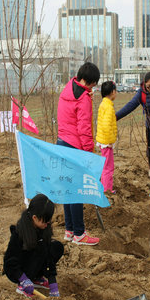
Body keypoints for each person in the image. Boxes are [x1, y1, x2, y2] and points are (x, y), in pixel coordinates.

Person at [57, 62, 100, 246]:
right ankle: (79, 234)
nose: (93, 88)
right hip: (76, 147)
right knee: (77, 191)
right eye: (93, 84)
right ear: (89, 81)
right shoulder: (83, 99)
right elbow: (84, 129)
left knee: (68, 189)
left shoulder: (67, 90)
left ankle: (69, 230)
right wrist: (88, 152)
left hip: (61, 143)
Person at [4, 194, 63, 298]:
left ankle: (36, 278)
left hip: (34, 263)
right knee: (36, 250)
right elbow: (10, 262)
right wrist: (22, 278)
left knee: (56, 247)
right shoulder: (19, 233)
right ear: (34, 218)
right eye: (45, 221)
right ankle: (23, 284)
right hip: (19, 269)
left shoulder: (45, 228)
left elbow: (49, 257)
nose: (47, 224)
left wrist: (53, 282)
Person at [96, 81, 118, 194]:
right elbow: (106, 125)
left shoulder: (103, 104)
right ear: (112, 92)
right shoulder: (108, 107)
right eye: (116, 91)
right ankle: (107, 190)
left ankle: (106, 188)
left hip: (102, 140)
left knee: (106, 166)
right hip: (106, 142)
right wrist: (110, 141)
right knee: (108, 167)